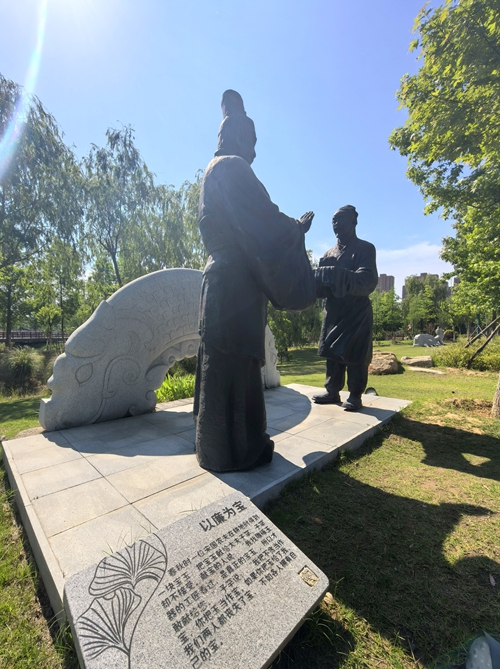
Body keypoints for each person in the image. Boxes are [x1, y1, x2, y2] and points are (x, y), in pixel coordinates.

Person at [193, 90, 316, 472]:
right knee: (237, 367)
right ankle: (237, 452)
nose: (255, 152)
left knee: (222, 367)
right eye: (252, 141)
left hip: (219, 280)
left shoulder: (211, 171)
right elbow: (263, 222)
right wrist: (295, 230)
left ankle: (217, 448)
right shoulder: (232, 167)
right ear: (237, 135)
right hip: (236, 284)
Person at [313, 205, 378, 411]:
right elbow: (321, 289)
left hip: (356, 312)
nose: (336, 224)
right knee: (332, 354)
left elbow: (368, 279)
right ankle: (332, 391)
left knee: (356, 355)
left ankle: (355, 395)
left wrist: (337, 274)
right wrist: (318, 280)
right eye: (334, 220)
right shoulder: (329, 253)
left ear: (353, 222)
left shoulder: (365, 249)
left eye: (341, 219)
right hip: (334, 312)